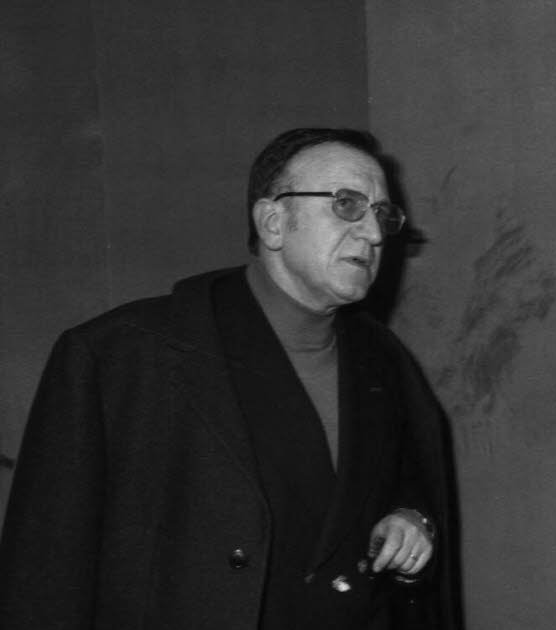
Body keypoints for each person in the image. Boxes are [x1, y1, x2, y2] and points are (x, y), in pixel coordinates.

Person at [0, 128, 461, 629]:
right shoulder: (118, 357)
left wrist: (413, 521)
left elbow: (408, 493)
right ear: (273, 222)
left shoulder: (386, 361)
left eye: (383, 214)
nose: (373, 233)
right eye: (347, 205)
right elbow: (43, 576)